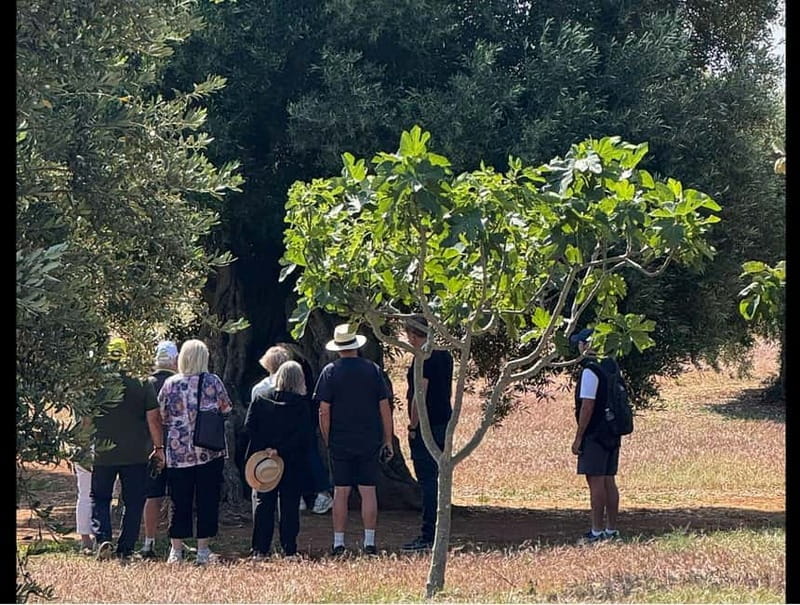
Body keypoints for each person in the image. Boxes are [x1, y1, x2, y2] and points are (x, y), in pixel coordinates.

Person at [313, 323, 394, 556]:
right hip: (369, 438)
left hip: (340, 439)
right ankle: (370, 542)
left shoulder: (330, 371)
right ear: (356, 346)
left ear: (338, 348)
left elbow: (323, 411)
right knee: (368, 490)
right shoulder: (373, 370)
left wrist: (328, 437)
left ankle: (338, 543)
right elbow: (385, 407)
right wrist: (387, 439)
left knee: (341, 491)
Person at [90, 337, 166, 560]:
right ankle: (126, 548)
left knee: (100, 497)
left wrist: (84, 444)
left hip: (103, 452)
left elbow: (86, 417)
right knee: (134, 501)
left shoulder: (95, 380)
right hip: (136, 453)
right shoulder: (141, 381)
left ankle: (103, 537)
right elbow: (153, 418)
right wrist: (158, 447)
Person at [158, 339, 232, 565]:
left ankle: (176, 551)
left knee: (179, 500)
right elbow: (226, 408)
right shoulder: (212, 381)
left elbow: (161, 413)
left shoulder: (170, 383)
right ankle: (202, 550)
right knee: (207, 500)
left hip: (178, 454)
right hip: (208, 452)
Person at [245, 361, 312, 558]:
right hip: (291, 460)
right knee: (289, 505)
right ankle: (289, 548)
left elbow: (249, 427)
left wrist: (267, 448)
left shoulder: (260, 399)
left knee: (263, 503)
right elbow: (304, 435)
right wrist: (281, 449)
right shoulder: (301, 405)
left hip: (263, 461)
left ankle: (259, 549)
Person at [401, 315, 453, 552]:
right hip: (444, 421)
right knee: (440, 478)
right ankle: (440, 529)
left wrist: (413, 425)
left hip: (427, 425)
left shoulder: (423, 357)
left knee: (428, 480)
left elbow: (419, 394)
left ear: (413, 335)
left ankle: (428, 534)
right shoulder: (445, 353)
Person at [570, 328, 622, 543]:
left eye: (581, 343)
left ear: (587, 345)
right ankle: (611, 529)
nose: (579, 347)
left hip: (595, 433)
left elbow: (587, 405)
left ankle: (597, 530)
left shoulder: (590, 371)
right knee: (609, 479)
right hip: (612, 432)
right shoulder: (611, 366)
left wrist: (579, 436)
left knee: (596, 481)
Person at [138, 340, 178, 559]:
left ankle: (148, 542)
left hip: (149, 448)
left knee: (152, 496)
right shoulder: (178, 382)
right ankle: (176, 544)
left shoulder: (146, 383)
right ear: (174, 360)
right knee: (175, 495)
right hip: (176, 447)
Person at [249, 345, 292, 518]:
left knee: (260, 486)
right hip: (286, 446)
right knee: (287, 491)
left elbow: (253, 421)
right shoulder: (294, 389)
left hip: (264, 447)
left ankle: (260, 530)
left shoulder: (259, 389)